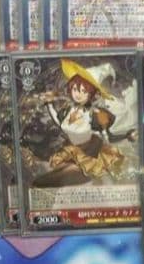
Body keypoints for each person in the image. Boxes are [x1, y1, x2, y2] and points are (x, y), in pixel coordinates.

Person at [32, 59, 135, 187]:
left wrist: (127, 135)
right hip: (71, 151)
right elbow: (60, 123)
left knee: (52, 179)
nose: (78, 94)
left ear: (92, 94)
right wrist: (49, 104)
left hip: (90, 154)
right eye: (75, 89)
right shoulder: (69, 110)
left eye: (84, 91)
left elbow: (109, 137)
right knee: (48, 175)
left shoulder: (96, 114)